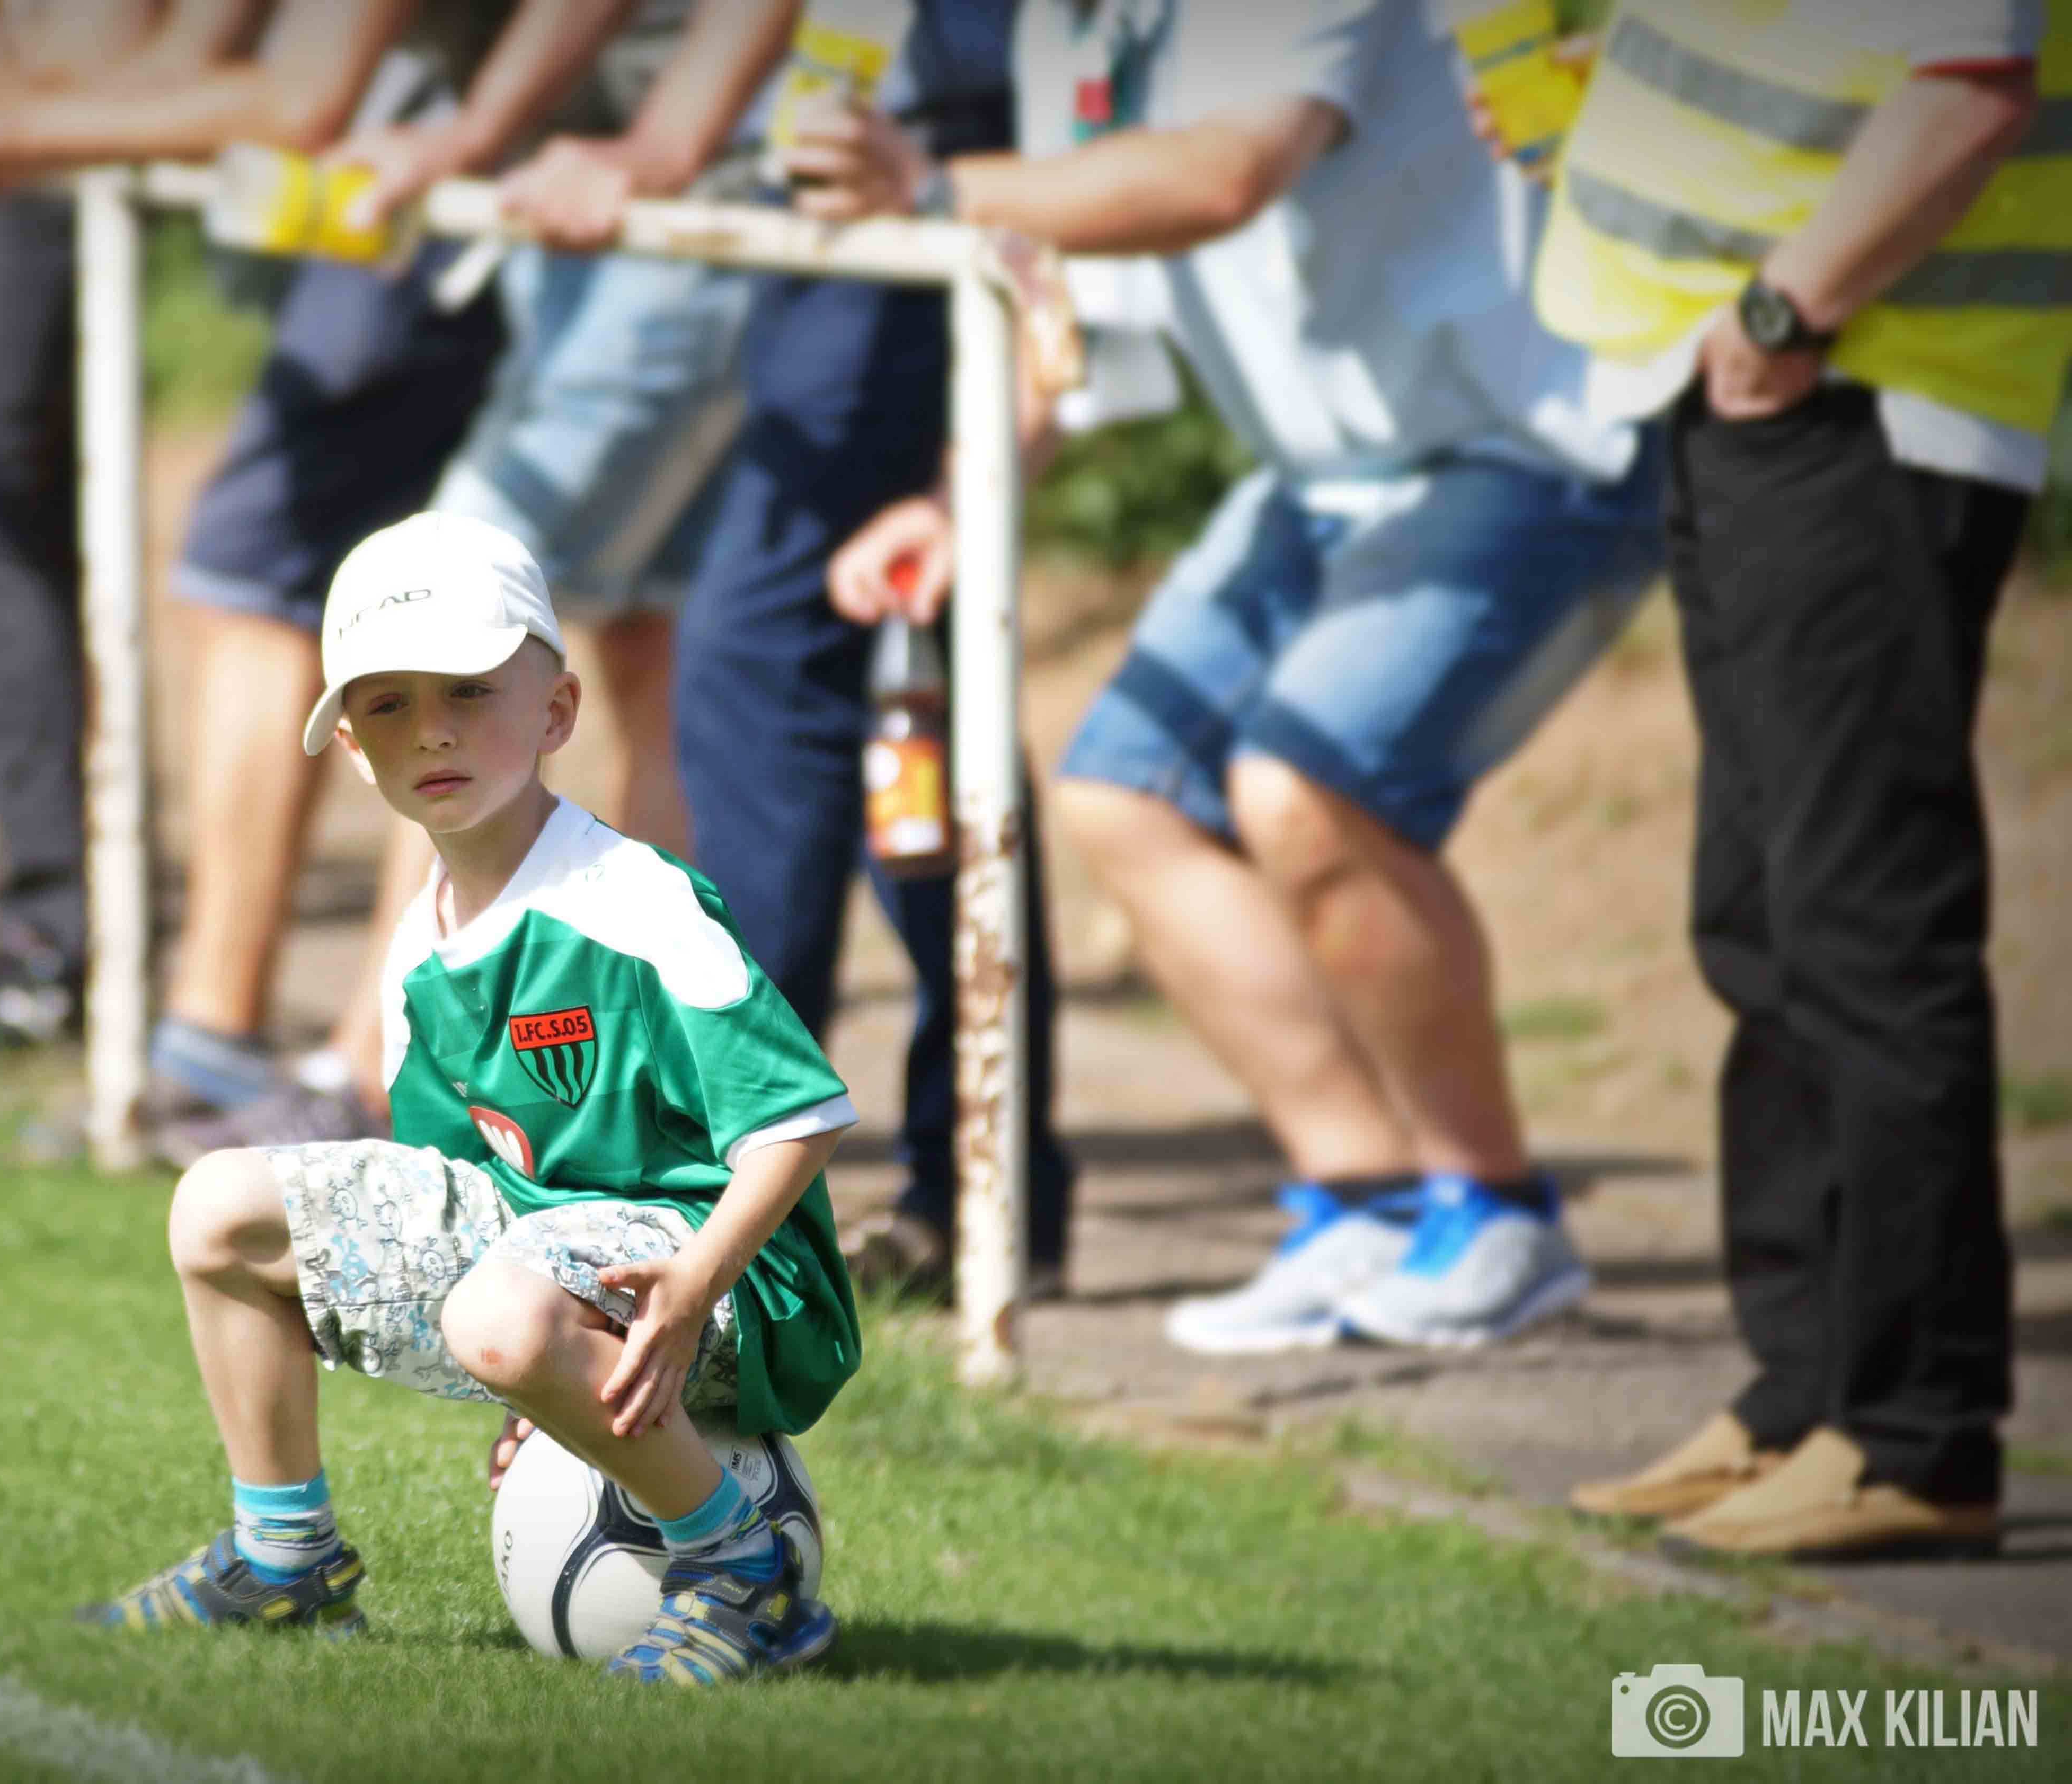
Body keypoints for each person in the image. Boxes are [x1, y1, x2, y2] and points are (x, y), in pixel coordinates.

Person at [803, 0, 1664, 1348]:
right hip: (1318, 474)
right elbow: (1071, 283)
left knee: (1308, 791)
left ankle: (1498, 1213)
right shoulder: (1068, 29)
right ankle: (1368, 1203)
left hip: (1529, 441)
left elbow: (1223, 172)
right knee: (1121, 794)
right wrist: (958, 504)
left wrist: (928, 182)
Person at [93, 513, 854, 1689]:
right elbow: (468, 1192)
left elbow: (800, 1121)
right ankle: (283, 1558)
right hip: (552, 1264)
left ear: (557, 710)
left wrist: (694, 1282)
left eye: (468, 689)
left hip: (736, 1275)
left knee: (499, 1310)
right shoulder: (415, 954)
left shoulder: (635, 902)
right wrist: (537, 1379)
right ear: (354, 748)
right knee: (216, 1205)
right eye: (387, 705)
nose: (431, 730)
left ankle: (743, 1570)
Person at [1528, 0, 2059, 1559]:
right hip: (1781, 387)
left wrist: (1781, 315)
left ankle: (1915, 1431)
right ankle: (1807, 1394)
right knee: (1763, 921)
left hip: (1856, 384)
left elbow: (1971, 82)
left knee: (1865, 933)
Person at [143, 0, 800, 1162]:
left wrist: (507, 134)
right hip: (626, 191)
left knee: (459, 624)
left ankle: (378, 1078)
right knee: (655, 650)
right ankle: (658, 1090)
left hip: (700, 194)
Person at [513, 0, 1085, 1302]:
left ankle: (774, 1193)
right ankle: (953, 1187)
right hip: (868, 215)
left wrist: (657, 148)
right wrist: (662, 145)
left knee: (829, 719)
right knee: (887, 733)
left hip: (921, 203)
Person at [0, 0, 272, 1054]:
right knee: (0, 510)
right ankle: (78, 921)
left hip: (33, 119)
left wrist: (34, 93)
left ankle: (56, 935)